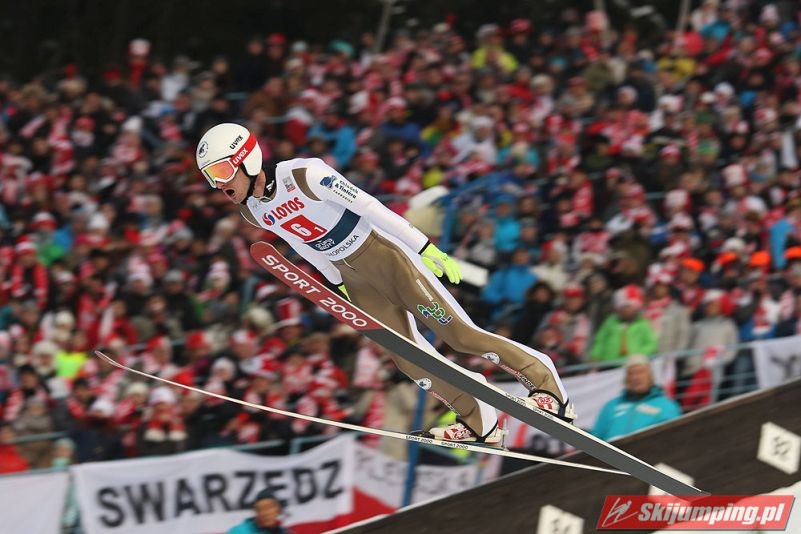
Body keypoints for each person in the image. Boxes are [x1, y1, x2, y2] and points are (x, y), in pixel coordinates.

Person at [196, 123, 574, 445]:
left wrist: (423, 247)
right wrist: (337, 284)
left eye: (222, 171)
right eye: (211, 177)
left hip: (387, 255)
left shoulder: (304, 174)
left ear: (247, 159)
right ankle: (479, 420)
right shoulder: (253, 210)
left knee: (459, 335)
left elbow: (369, 205)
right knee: (408, 359)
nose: (219, 184)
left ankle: (547, 387)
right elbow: (301, 244)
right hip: (353, 277)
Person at [592, 355, 681, 441]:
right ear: (626, 379)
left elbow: (674, 439)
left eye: (640, 372)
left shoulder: (667, 407)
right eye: (631, 373)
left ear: (650, 376)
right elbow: (596, 439)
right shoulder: (611, 406)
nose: (635, 377)